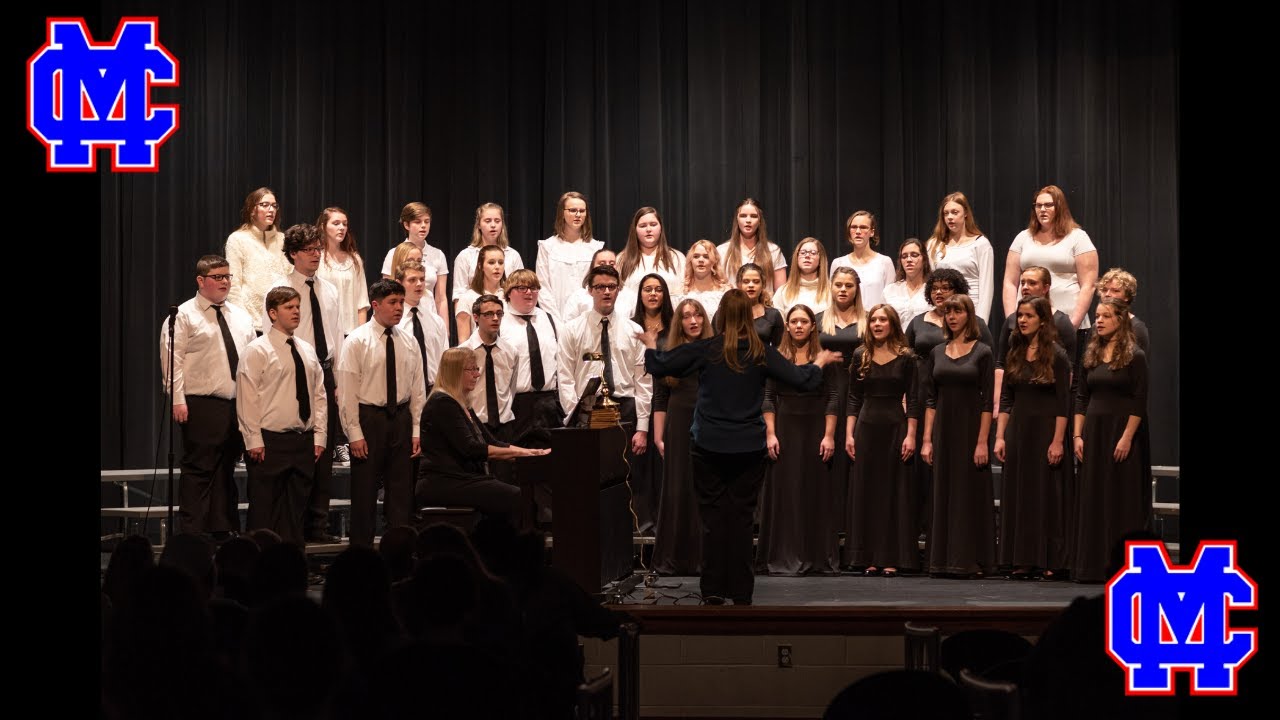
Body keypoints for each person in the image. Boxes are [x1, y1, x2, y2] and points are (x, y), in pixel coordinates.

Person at [640, 289, 841, 605]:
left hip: (708, 446)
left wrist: (651, 345)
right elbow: (804, 380)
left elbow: (661, 366)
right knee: (742, 520)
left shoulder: (708, 349)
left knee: (713, 520)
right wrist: (820, 360)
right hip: (747, 448)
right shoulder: (761, 352)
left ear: (719, 316)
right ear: (748, 317)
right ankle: (741, 592)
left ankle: (713, 591)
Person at [160, 255, 258, 540]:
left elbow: (252, 359)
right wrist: (177, 398)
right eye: (218, 277)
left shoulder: (239, 315)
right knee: (200, 468)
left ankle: (221, 528)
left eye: (227, 276)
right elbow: (172, 361)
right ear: (201, 281)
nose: (225, 282)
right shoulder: (183, 316)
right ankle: (192, 531)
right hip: (200, 402)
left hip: (236, 402)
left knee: (226, 467)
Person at [268, 225, 345, 543]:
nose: (316, 255)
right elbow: (271, 338)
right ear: (293, 254)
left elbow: (338, 334)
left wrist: (338, 379)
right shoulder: (281, 288)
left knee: (323, 453)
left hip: (324, 373)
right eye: (309, 249)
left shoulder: (329, 289)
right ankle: (293, 528)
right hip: (294, 373)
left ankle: (318, 524)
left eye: (318, 249)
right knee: (299, 452)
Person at [335, 279, 427, 546]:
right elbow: (348, 392)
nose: (399, 308)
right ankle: (361, 554)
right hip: (369, 418)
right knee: (364, 492)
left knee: (400, 493)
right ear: (375, 305)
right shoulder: (357, 341)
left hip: (400, 418)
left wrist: (416, 429)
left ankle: (399, 550)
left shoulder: (408, 342)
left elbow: (417, 390)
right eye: (392, 303)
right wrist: (353, 433)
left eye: (401, 302)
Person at [236, 287, 328, 546]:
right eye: (289, 307)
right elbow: (247, 397)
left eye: (298, 306)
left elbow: (319, 395)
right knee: (264, 510)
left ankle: (291, 566)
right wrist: (253, 438)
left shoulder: (306, 350)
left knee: (296, 511)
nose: (296, 311)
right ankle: (259, 568)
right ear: (273, 313)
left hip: (302, 441)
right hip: (270, 441)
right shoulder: (257, 350)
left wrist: (319, 435)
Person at [416, 348, 549, 524]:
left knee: (516, 494)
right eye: (471, 369)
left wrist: (532, 453)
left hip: (462, 479)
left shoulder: (462, 404)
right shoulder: (442, 403)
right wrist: (524, 455)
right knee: (516, 496)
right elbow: (471, 449)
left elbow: (492, 442)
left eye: (476, 369)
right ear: (455, 372)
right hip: (442, 481)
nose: (477, 375)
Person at [758, 304, 842, 575]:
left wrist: (829, 436)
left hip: (815, 429)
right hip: (785, 430)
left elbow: (833, 398)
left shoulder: (823, 358)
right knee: (786, 492)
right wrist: (770, 433)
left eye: (803, 321)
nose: (798, 326)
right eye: (793, 321)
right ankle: (783, 556)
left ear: (812, 326)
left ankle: (815, 557)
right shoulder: (776, 357)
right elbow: (768, 398)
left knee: (813, 492)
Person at [1069, 299, 1148, 583]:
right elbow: (1080, 397)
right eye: (1097, 316)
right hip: (1094, 433)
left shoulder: (1134, 356)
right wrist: (1078, 435)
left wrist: (1127, 438)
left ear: (1120, 319)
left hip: (1120, 434)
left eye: (1105, 316)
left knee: (1120, 499)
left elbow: (1139, 402)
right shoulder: (1090, 355)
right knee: (1093, 497)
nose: (1099, 321)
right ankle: (1091, 566)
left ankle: (1124, 569)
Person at [993, 296, 1071, 580]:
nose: (1022, 321)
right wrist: (1000, 436)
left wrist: (1058, 441)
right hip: (1019, 431)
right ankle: (1022, 558)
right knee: (1019, 495)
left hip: (1046, 431)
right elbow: (1006, 398)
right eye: (1020, 316)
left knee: (1045, 495)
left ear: (1042, 319)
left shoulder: (1057, 355)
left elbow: (1064, 403)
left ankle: (1049, 559)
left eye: (1028, 316)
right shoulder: (1015, 350)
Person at [921, 294, 995, 578]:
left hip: (970, 430)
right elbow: (930, 399)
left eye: (957, 311)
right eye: (947, 312)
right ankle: (942, 560)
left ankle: (971, 559)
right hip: (943, 430)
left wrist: (981, 442)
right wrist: (927, 439)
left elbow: (988, 402)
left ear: (969, 315)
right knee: (944, 492)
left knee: (968, 493)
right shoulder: (937, 352)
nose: (951, 317)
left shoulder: (982, 352)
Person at [844, 304, 919, 576]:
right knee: (868, 491)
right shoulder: (860, 355)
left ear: (892, 324)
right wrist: (849, 435)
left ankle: (892, 556)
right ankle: (867, 556)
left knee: (893, 491)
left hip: (895, 427)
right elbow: (853, 398)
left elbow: (913, 399)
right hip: (866, 426)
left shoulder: (906, 357)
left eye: (882, 320)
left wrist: (911, 435)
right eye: (873, 320)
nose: (877, 324)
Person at [556, 265, 651, 454]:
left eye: (612, 286)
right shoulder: (572, 329)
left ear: (619, 289)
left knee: (624, 475)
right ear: (590, 290)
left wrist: (642, 427)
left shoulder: (634, 331)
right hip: (587, 409)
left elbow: (643, 382)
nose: (606, 292)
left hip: (625, 408)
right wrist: (573, 416)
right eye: (600, 287)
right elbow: (565, 377)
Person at [650, 298, 713, 575]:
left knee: (704, 487)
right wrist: (658, 437)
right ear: (680, 322)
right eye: (687, 316)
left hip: (708, 422)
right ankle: (675, 557)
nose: (693, 321)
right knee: (677, 486)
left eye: (698, 315)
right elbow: (660, 398)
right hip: (677, 424)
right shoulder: (668, 352)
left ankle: (704, 558)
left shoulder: (715, 350)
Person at [1001, 185, 1099, 355]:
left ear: (1059, 207)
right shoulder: (1023, 238)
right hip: (1028, 324)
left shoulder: (1078, 237)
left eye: (1048, 205)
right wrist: (1012, 320)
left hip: (1066, 320)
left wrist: (1071, 325)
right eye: (1038, 206)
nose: (1042, 210)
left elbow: (1088, 285)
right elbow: (1010, 282)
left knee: (1067, 376)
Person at [815, 266, 866, 562]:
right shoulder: (820, 320)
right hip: (828, 394)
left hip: (859, 393)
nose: (843, 290)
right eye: (839, 285)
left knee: (854, 458)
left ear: (856, 288)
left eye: (849, 285)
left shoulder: (867, 319)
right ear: (831, 288)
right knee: (829, 461)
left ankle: (854, 528)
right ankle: (829, 527)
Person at [991, 266, 1078, 415]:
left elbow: (1069, 370)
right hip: (1017, 397)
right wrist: (998, 403)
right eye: (1022, 283)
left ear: (1046, 288)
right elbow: (1001, 364)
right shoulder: (1012, 320)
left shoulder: (1062, 322)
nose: (1025, 287)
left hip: (1047, 400)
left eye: (1032, 283)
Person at [628, 273, 676, 533]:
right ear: (640, 294)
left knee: (664, 465)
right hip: (638, 402)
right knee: (640, 469)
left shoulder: (674, 328)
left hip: (666, 403)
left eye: (658, 289)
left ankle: (665, 523)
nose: (653, 294)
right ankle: (642, 523)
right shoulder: (631, 326)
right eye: (648, 289)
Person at [499, 269, 562, 447]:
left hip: (548, 402)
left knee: (552, 459)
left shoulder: (549, 319)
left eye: (534, 288)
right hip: (517, 404)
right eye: (522, 288)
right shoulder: (500, 322)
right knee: (517, 462)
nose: (529, 292)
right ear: (509, 293)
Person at [224, 187, 289, 331]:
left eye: (274, 205)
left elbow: (291, 278)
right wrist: (243, 320)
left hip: (281, 322)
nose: (271, 209)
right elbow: (233, 285)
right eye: (265, 205)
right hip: (251, 323)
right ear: (252, 209)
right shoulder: (238, 239)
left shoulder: (283, 239)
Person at [536, 191, 604, 325]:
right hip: (556, 318)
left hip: (589, 319)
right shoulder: (547, 247)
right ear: (562, 213)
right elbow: (543, 288)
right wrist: (557, 323)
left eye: (582, 211)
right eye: (573, 210)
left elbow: (598, 286)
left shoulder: (596, 248)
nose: (578, 215)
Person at [925, 192, 995, 322]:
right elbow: (931, 284)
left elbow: (986, 287)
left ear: (966, 213)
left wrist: (980, 321)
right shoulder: (934, 244)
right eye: (946, 213)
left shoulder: (980, 244)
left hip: (970, 311)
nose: (950, 217)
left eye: (955, 212)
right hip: (943, 314)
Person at [459, 294, 517, 440]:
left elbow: (511, 389)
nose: (495, 318)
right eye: (489, 314)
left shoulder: (511, 351)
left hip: (504, 425)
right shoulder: (462, 352)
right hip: (474, 425)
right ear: (476, 317)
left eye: (499, 313)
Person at [381, 202, 449, 321]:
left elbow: (441, 298)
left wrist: (445, 330)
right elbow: (388, 292)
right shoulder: (394, 253)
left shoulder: (438, 254)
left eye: (426, 222)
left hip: (429, 316)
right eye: (418, 222)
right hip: (402, 318)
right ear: (407, 225)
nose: (423, 226)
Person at [452, 202, 524, 312]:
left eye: (497, 221)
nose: (493, 225)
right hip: (477, 316)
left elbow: (520, 290)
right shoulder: (465, 256)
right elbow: (459, 295)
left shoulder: (513, 255)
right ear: (479, 225)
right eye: (488, 221)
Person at [615, 206, 686, 319]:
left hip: (671, 320)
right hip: (633, 320)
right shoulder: (622, 259)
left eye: (653, 224)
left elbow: (685, 291)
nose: (648, 229)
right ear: (635, 230)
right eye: (643, 226)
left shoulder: (676, 257)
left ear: (660, 228)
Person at [314, 206, 369, 336]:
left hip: (351, 332)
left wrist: (360, 334)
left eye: (345, 224)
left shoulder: (354, 259)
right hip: (325, 333)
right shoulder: (316, 259)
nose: (342, 228)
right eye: (336, 223)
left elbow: (362, 302)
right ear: (323, 226)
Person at [829, 211, 897, 308]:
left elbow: (891, 300)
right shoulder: (838, 263)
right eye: (854, 227)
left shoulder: (884, 262)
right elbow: (833, 298)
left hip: (875, 321)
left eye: (863, 227)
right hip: (847, 321)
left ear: (872, 232)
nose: (858, 232)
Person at [719, 198, 787, 292]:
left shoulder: (773, 251)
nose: (748, 220)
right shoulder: (722, 251)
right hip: (733, 306)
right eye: (743, 216)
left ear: (760, 221)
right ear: (737, 220)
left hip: (764, 305)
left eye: (753, 216)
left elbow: (781, 292)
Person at [721, 263, 784, 346]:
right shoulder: (725, 312)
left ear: (763, 285)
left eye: (756, 282)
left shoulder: (773, 315)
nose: (751, 285)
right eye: (746, 282)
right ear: (738, 285)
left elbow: (778, 348)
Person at [455, 244, 507, 344]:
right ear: (480, 265)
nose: (497, 267)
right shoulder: (467, 298)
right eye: (491, 262)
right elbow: (463, 341)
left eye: (501, 263)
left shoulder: (509, 297)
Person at [774, 237, 832, 317]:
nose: (807, 256)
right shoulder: (783, 292)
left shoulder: (831, 290)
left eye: (813, 253)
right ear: (796, 257)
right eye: (803, 252)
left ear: (820, 259)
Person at [882, 238, 932, 327]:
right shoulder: (890, 290)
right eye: (904, 256)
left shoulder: (932, 290)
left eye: (914, 255)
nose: (909, 260)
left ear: (924, 259)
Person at [1097, 268, 1149, 352]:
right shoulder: (1097, 326)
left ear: (1127, 297)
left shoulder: (1136, 328)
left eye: (1115, 291)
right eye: (1104, 290)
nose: (1107, 294)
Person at [677, 240, 731, 321]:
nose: (700, 260)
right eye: (696, 256)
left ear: (714, 261)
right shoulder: (680, 292)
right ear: (690, 261)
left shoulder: (725, 292)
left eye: (706, 256)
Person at [559, 247, 616, 325]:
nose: (607, 267)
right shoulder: (578, 297)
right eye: (602, 263)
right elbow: (567, 327)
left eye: (612, 264)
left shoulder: (629, 296)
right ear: (592, 266)